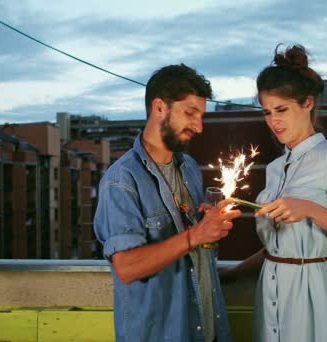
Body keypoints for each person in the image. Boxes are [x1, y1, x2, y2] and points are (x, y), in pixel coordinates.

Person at [222, 45, 327, 342]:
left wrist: (309, 208)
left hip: (312, 292)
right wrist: (232, 272)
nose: (273, 121)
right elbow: (280, 247)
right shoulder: (275, 168)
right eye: (267, 112)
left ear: (307, 103)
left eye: (282, 110)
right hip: (268, 289)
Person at [94, 64, 242, 342]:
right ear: (159, 107)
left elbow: (192, 250)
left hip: (207, 330)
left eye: (201, 116)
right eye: (190, 113)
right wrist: (196, 234)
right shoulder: (121, 181)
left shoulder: (189, 168)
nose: (199, 126)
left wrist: (208, 227)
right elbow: (126, 267)